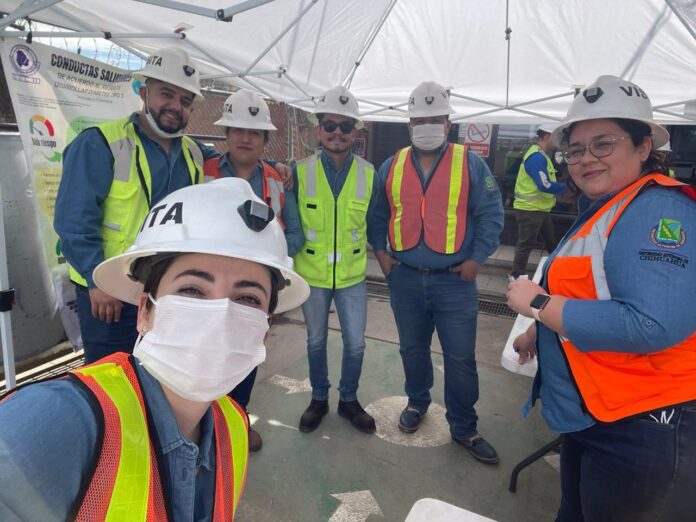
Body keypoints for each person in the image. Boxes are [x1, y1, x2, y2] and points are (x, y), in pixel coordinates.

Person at [0, 178, 310, 520]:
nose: (219, 319)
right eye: (192, 290)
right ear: (145, 311)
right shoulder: (57, 422)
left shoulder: (234, 427)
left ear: (264, 330)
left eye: (248, 299)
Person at [507, 75, 696, 521]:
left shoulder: (659, 210)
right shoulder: (610, 207)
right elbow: (590, 291)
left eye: (604, 144)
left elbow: (652, 323)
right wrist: (538, 331)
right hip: (597, 413)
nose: (586, 158)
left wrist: (538, 305)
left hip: (644, 424)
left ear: (644, 146)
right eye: (575, 150)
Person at [371, 81, 504, 464]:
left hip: (454, 283)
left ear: (448, 124)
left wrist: (476, 260)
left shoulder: (470, 163)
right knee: (411, 349)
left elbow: (491, 214)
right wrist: (381, 255)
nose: (427, 126)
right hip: (405, 279)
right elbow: (377, 215)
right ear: (409, 125)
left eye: (435, 119)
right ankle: (417, 402)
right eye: (419, 120)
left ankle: (464, 426)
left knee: (460, 358)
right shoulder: (391, 165)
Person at [54, 46, 207, 364]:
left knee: (160, 374)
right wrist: (98, 281)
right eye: (167, 94)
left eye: (185, 100)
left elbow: (237, 158)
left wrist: (281, 169)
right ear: (144, 91)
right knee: (112, 377)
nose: (176, 106)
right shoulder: (100, 143)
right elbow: (74, 221)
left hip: (166, 292)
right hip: (111, 293)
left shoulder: (193, 152)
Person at [204, 89, 304, 452]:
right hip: (210, 285)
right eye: (238, 130)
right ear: (226, 134)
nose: (245, 138)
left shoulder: (278, 180)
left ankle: (236, 421)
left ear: (265, 140)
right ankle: (203, 425)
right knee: (206, 355)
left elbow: (295, 233)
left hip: (254, 290)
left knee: (247, 357)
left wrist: (268, 257)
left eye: (254, 132)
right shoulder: (201, 172)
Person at [293, 86, 380, 434]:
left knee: (356, 343)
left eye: (346, 126)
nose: (337, 133)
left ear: (355, 132)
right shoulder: (298, 172)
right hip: (312, 275)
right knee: (315, 341)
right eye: (330, 125)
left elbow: (376, 222)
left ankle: (348, 400)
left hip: (352, 277)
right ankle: (319, 399)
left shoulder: (369, 174)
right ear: (319, 130)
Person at [510, 123, 567, 279]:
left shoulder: (541, 155)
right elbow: (545, 185)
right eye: (556, 137)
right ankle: (516, 276)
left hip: (539, 209)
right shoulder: (536, 157)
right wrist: (566, 187)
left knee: (550, 242)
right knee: (526, 245)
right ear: (547, 136)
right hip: (530, 210)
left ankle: (560, 268)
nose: (558, 141)